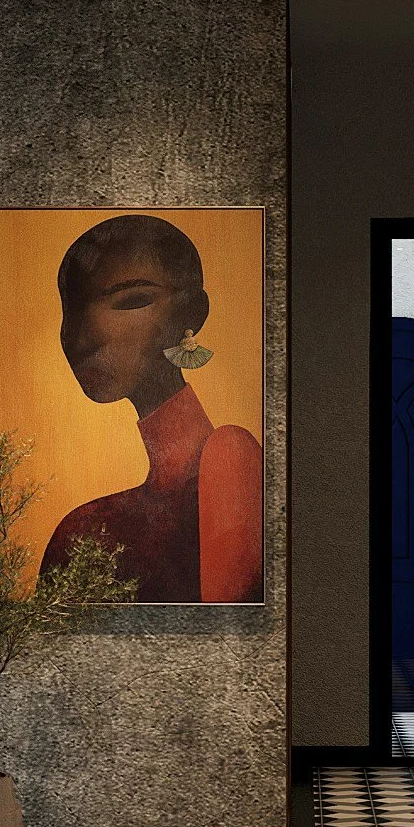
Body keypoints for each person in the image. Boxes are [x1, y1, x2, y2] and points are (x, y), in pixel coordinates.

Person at [39, 214, 263, 604]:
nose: (83, 337)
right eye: (71, 310)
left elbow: (226, 639)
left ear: (191, 315)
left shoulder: (230, 454)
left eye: (132, 301)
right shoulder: (81, 529)